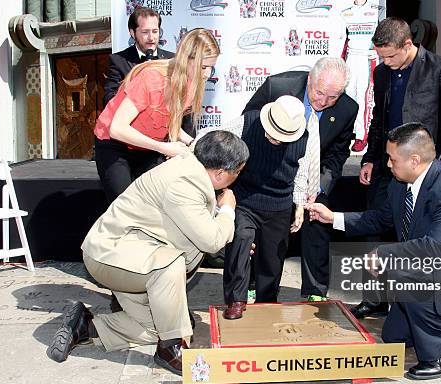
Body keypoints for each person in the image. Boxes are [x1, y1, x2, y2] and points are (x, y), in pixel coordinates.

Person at [46, 131, 250, 376]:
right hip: (113, 256)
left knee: (162, 328)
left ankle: (86, 326)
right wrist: (227, 209)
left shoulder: (192, 169)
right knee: (171, 266)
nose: (237, 178)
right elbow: (212, 241)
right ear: (220, 173)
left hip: (138, 255)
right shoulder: (185, 183)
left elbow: (198, 229)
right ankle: (170, 350)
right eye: (237, 172)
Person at [307, 123, 441, 380]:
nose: (387, 164)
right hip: (436, 266)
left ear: (414, 160)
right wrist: (333, 218)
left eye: (392, 158)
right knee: (393, 336)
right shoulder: (401, 183)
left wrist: (383, 255)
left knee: (403, 274)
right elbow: (380, 219)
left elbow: (436, 248)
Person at [353, 17, 441, 319]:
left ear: (408, 44)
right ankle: (377, 298)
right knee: (376, 231)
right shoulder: (383, 73)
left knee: (422, 238)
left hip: (424, 170)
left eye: (391, 55)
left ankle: (425, 305)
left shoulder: (439, 68)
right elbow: (378, 120)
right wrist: (370, 158)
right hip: (387, 166)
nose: (386, 62)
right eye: (381, 56)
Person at [243, 57, 359, 302]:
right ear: (310, 79)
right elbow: (249, 125)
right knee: (264, 235)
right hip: (271, 169)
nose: (323, 102)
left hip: (313, 174)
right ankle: (253, 284)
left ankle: (315, 292)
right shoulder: (277, 88)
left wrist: (319, 187)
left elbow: (338, 153)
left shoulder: (348, 108)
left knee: (318, 222)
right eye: (319, 93)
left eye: (332, 97)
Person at [200, 95, 317, 319]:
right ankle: (236, 299)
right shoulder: (248, 122)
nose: (276, 139)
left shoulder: (304, 135)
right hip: (244, 199)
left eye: (283, 136)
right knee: (240, 244)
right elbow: (212, 138)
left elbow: (301, 169)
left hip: (280, 204)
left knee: (272, 258)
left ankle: (267, 302)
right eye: (273, 133)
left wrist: (299, 204)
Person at [94, 28, 219, 204]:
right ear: (186, 59)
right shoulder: (151, 78)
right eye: (203, 67)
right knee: (124, 206)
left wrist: (192, 144)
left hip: (148, 146)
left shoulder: (192, 84)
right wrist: (162, 147)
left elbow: (170, 123)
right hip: (114, 144)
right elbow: (117, 129)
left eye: (211, 67)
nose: (207, 74)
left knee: (153, 203)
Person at [339, 0, 386, 152]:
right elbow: (344, 39)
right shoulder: (345, 11)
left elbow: (384, 35)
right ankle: (348, 132)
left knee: (364, 98)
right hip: (351, 58)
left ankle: (362, 135)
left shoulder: (377, 9)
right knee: (349, 96)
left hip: (367, 57)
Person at [103, 7, 174, 106]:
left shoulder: (172, 60)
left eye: (155, 31)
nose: (151, 37)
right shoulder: (119, 61)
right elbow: (109, 98)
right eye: (145, 32)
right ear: (133, 33)